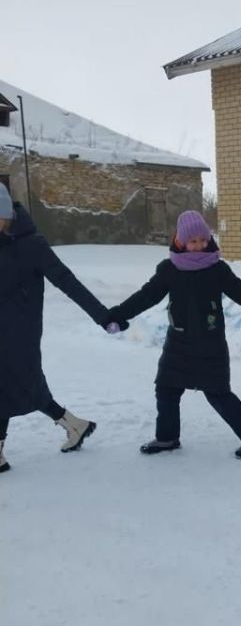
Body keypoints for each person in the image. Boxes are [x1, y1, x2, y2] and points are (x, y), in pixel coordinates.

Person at [105, 210, 241, 458]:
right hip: (178, 342)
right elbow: (145, 297)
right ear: (180, 241)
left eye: (204, 240)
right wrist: (118, 314)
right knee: (166, 388)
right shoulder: (169, 270)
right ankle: (167, 438)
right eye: (193, 241)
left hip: (210, 343)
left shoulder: (217, 269)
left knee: (217, 393)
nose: (200, 246)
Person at [0, 184, 117, 474]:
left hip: (20, 333)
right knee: (17, 387)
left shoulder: (31, 245)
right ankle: (75, 425)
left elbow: (66, 280)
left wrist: (102, 316)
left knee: (14, 385)